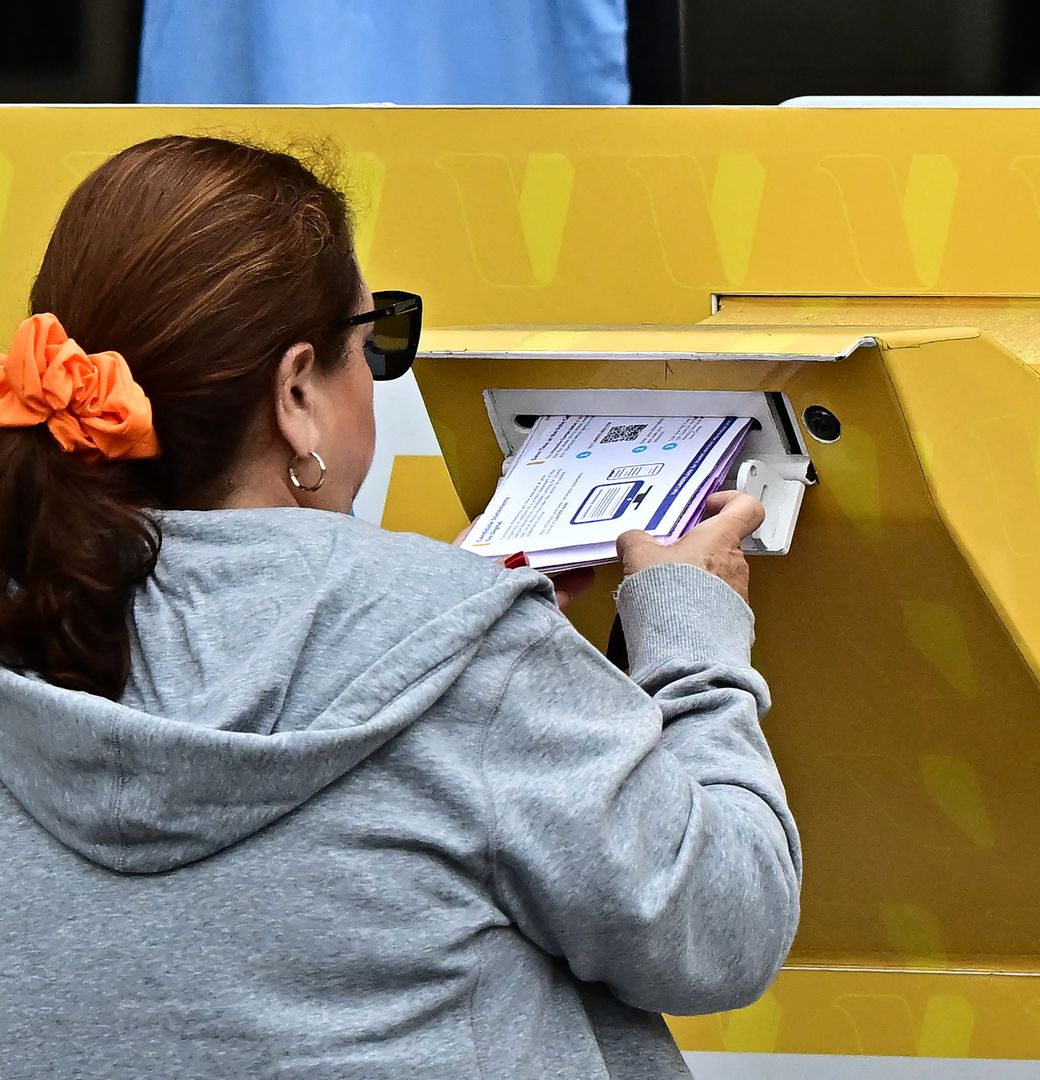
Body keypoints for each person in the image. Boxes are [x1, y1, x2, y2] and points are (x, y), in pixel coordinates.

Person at [0, 135, 799, 1078]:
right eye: (372, 341)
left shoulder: (33, 621)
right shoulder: (474, 664)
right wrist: (691, 634)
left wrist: (422, 623)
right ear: (296, 391)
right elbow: (724, 926)